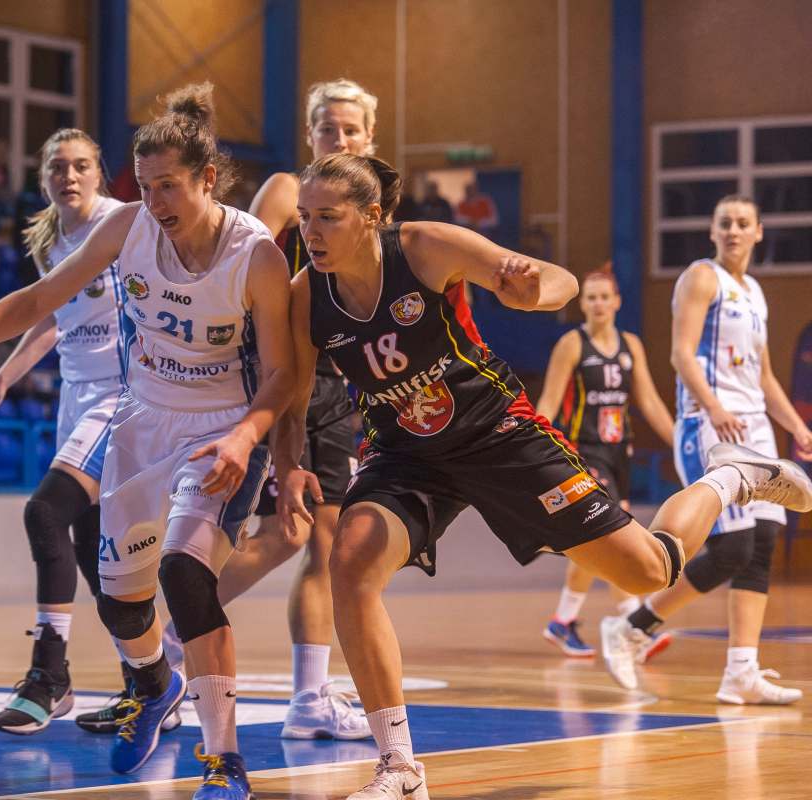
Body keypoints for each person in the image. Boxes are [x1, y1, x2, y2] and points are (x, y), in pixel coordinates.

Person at [273, 155, 812, 800]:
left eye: (327, 217)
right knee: (351, 562)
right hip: (404, 452)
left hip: (494, 432)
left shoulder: (422, 247)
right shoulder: (306, 294)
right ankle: (400, 767)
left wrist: (532, 289)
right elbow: (293, 398)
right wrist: (287, 464)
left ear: (371, 217)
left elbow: (558, 281)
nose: (311, 232)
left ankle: (731, 478)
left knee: (649, 571)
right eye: (305, 218)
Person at [0, 83, 295, 800]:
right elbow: (40, 301)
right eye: (145, 186)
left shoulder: (257, 255)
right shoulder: (127, 227)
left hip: (219, 430)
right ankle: (154, 685)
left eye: (169, 186)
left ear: (208, 179)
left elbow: (282, 373)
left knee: (185, 575)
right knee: (121, 603)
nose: (155, 201)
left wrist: (249, 437)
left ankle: (223, 761)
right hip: (140, 420)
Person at [167, 78, 374, 741]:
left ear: (370, 137)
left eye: (350, 129)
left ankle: (309, 698)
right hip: (282, 371)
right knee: (287, 532)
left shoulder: (374, 209)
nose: (338, 138)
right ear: (309, 134)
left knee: (327, 543)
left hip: (340, 384)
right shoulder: (287, 190)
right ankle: (175, 639)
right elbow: (240, 257)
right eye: (327, 128)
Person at [0, 128, 142, 736]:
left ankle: (50, 674)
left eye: (81, 165)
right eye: (58, 167)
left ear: (100, 173)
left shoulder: (123, 223)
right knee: (94, 550)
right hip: (76, 394)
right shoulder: (47, 240)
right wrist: (1, 381)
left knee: (44, 512)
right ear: (43, 178)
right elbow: (49, 317)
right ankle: (148, 683)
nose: (69, 176)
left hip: (122, 393)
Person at [600, 195, 812, 702]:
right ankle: (632, 627)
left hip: (755, 427)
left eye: (743, 223)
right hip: (709, 425)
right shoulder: (701, 277)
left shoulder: (755, 293)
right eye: (725, 223)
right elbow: (680, 353)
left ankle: (741, 672)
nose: (734, 230)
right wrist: (714, 406)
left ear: (759, 231)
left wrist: (795, 426)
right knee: (732, 547)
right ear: (712, 232)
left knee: (761, 545)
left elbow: (763, 376)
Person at [534, 268, 675, 658]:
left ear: (617, 302)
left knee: (597, 541)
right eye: (591, 297)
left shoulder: (631, 345)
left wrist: (681, 443)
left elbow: (649, 401)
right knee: (612, 535)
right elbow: (548, 402)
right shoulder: (571, 344)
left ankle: (564, 620)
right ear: (582, 303)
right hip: (585, 451)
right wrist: (534, 452)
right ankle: (634, 624)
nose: (598, 303)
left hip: (619, 454)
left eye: (604, 297)